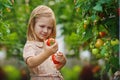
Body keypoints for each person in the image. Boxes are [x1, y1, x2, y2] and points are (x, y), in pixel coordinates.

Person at [23, 5, 66, 80]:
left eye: (49, 27)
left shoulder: (48, 44)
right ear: (33, 25)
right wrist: (46, 53)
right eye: (42, 26)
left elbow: (53, 69)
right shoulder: (30, 45)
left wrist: (62, 61)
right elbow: (30, 63)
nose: (45, 31)